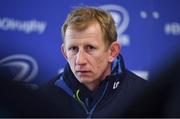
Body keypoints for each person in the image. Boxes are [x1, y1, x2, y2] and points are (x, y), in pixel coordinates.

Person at [40, 7, 147, 118]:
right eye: (73, 49)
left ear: (112, 52)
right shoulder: (44, 97)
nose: (80, 60)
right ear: (65, 53)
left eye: (90, 48)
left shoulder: (143, 96)